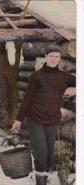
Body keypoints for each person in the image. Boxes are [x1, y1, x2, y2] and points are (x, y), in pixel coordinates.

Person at [11, 46, 76, 185]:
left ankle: (46, 176)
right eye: (51, 56)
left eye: (56, 56)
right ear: (46, 57)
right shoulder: (36, 76)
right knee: (40, 151)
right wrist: (18, 120)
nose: (53, 59)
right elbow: (27, 98)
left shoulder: (64, 77)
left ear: (60, 59)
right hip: (35, 118)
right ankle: (40, 180)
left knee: (50, 150)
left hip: (53, 119)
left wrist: (74, 90)